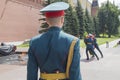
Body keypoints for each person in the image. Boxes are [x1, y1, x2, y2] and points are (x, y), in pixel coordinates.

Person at [27, 2, 82, 80]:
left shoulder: (34, 42)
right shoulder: (73, 41)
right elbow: (75, 73)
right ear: (62, 19)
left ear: (46, 20)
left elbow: (31, 73)